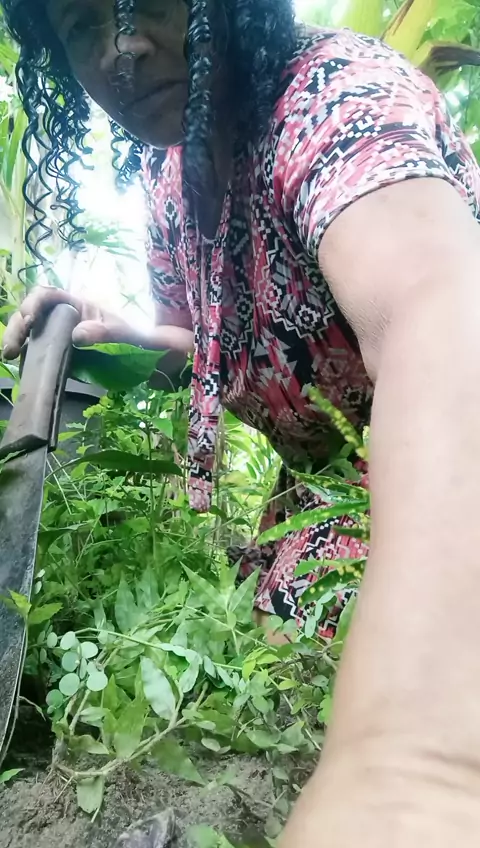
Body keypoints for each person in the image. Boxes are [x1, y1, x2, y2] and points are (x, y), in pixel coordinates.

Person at [3, 0, 480, 844]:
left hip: (435, 471)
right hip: (315, 492)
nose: (120, 49)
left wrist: (412, 765)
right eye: (80, 26)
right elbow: (206, 338)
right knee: (259, 636)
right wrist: (119, 336)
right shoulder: (172, 176)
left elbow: (435, 312)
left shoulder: (334, 100)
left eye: (147, 1)